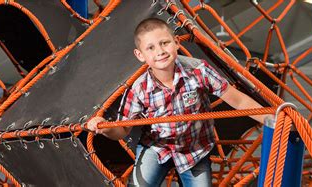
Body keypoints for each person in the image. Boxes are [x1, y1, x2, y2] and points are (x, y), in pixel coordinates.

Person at [87, 17, 271, 187]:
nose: (160, 51)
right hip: (157, 147)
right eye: (150, 48)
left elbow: (238, 100)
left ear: (176, 42)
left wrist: (273, 120)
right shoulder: (139, 87)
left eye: (164, 43)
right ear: (140, 55)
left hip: (194, 150)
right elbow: (123, 129)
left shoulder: (198, 70)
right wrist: (105, 128)